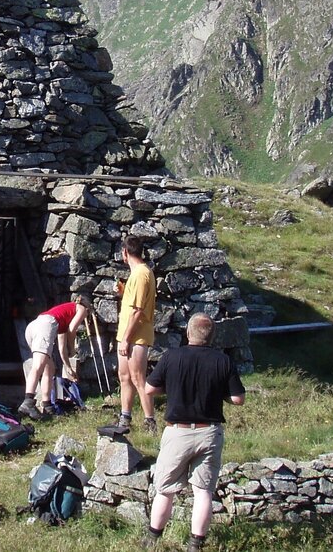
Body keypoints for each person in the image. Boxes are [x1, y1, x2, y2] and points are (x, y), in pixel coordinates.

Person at [141, 313, 245, 551]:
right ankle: (195, 544)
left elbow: (149, 388)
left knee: (165, 490)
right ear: (212, 337)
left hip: (177, 432)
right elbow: (238, 399)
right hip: (209, 432)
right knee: (203, 491)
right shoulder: (222, 360)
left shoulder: (172, 357)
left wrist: (172, 389)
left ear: (188, 333)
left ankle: (152, 539)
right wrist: (220, 394)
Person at [17, 295, 91, 420]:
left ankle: (48, 406)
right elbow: (72, 330)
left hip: (33, 327)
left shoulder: (62, 317)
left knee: (49, 368)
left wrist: (68, 368)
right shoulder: (81, 309)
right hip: (45, 326)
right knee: (38, 365)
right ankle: (28, 401)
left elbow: (62, 349)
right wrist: (73, 349)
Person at [115, 235, 157, 433]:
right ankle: (125, 416)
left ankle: (150, 420)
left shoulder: (141, 274)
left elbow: (139, 310)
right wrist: (124, 291)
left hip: (135, 336)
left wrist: (126, 339)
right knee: (124, 376)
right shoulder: (137, 274)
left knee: (138, 377)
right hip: (128, 335)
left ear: (125, 252)